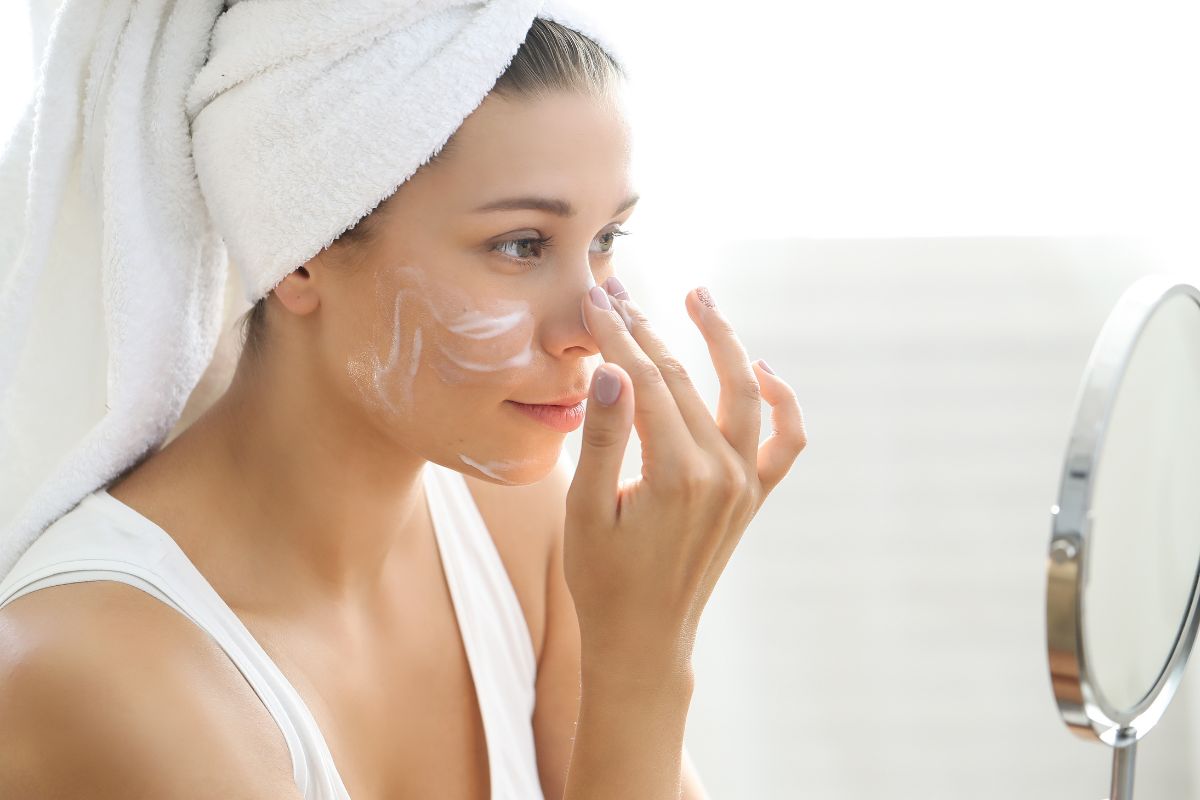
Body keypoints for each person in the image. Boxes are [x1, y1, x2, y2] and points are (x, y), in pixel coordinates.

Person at [0, 8, 806, 800]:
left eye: (605, 241)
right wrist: (640, 658)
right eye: (522, 245)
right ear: (303, 251)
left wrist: (646, 645)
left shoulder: (521, 525)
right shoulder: (99, 671)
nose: (590, 326)